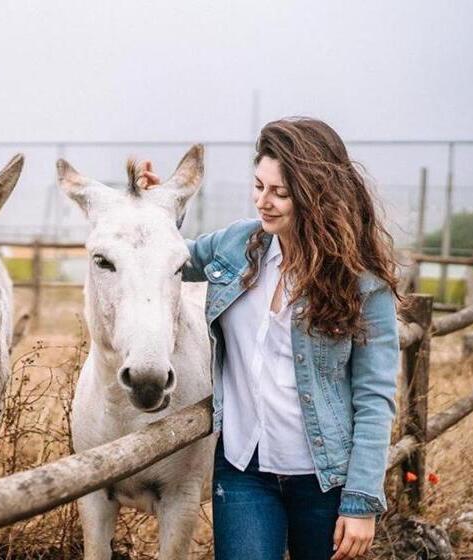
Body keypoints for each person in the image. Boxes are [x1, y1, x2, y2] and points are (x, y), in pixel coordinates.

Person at [135, 117, 400, 560]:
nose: (264, 202)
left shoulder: (361, 283)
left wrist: (361, 502)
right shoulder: (236, 244)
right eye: (258, 186)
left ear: (317, 195)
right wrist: (159, 208)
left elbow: (374, 397)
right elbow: (172, 255)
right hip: (243, 468)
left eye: (280, 192)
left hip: (324, 479)